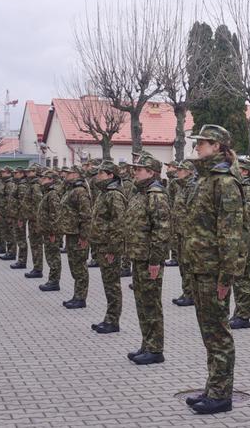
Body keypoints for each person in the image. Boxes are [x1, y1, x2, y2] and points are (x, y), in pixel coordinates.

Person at [182, 125, 244, 415]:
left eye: (203, 143)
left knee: (218, 333)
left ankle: (222, 394)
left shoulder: (225, 181)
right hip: (199, 266)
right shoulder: (204, 179)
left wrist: (226, 276)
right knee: (208, 331)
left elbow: (230, 233)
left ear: (218, 146)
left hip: (214, 270)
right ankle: (213, 386)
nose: (198, 147)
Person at [124, 154, 170, 365]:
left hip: (149, 259)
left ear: (151, 172)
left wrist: (155, 261)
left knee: (151, 304)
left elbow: (161, 231)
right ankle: (146, 343)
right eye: (135, 169)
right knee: (142, 303)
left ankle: (155, 349)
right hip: (138, 256)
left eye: (139, 169)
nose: (135, 172)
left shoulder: (156, 195)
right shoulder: (139, 193)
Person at [90, 160, 127, 334]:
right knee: (108, 284)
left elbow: (118, 223)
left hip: (109, 247)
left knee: (112, 285)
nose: (98, 176)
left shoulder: (114, 195)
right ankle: (109, 318)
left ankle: (113, 320)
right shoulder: (104, 193)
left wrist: (113, 248)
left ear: (111, 175)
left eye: (101, 173)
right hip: (102, 245)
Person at [229, 155, 250, 330]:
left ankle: (243, 315)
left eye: (237, 168)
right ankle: (240, 312)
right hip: (243, 241)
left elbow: (248, 222)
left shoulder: (248, 190)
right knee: (240, 278)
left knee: (243, 279)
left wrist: (241, 245)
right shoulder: (243, 187)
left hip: (245, 242)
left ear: (244, 171)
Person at [59, 166, 92, 309]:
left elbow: (86, 216)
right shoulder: (71, 189)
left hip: (78, 235)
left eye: (68, 173)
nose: (64, 175)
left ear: (76, 175)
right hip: (71, 233)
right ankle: (76, 295)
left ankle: (80, 298)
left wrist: (84, 237)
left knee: (80, 267)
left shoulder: (80, 191)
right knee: (74, 266)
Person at [171, 160, 197, 307]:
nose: (177, 172)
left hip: (188, 234)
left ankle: (190, 294)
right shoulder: (181, 186)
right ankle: (186, 291)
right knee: (182, 263)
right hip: (180, 232)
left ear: (189, 172)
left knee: (188, 264)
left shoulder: (191, 187)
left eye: (181, 170)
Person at [37, 170, 63, 292]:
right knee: (50, 255)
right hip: (47, 231)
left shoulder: (52, 194)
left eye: (45, 178)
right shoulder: (48, 192)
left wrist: (53, 232)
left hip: (51, 232)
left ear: (51, 179)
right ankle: (52, 280)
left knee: (53, 256)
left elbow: (55, 214)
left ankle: (54, 281)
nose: (42, 179)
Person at [22, 164, 44, 278]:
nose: (27, 173)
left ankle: (38, 269)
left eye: (30, 171)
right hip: (32, 219)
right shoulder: (32, 184)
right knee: (34, 244)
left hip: (35, 220)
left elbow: (38, 204)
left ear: (36, 172)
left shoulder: (35, 186)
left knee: (36, 245)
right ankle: (36, 267)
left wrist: (36, 221)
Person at [10, 167, 29, 269]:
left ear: (22, 173)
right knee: (18, 237)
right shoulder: (18, 184)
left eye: (16, 173)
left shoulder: (22, 186)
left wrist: (21, 218)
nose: (14, 174)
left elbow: (23, 203)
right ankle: (20, 260)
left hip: (19, 216)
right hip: (16, 215)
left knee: (21, 239)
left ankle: (22, 261)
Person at [164, 160, 180, 267]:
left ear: (174, 167)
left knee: (174, 235)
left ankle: (175, 258)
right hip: (171, 210)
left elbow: (176, 197)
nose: (167, 169)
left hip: (174, 212)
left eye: (169, 167)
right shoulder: (171, 180)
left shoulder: (175, 180)